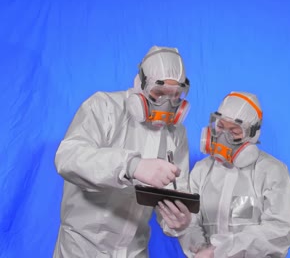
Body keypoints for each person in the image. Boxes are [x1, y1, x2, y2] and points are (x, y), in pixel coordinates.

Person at [53, 45, 193, 257]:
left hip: (134, 251)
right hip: (82, 248)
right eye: (159, 94)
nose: (167, 105)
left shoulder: (176, 133)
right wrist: (131, 166)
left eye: (175, 96)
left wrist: (178, 221)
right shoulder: (104, 107)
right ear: (141, 84)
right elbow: (68, 157)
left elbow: (175, 192)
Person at [157, 91, 290, 257]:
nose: (223, 137)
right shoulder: (202, 171)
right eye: (220, 126)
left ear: (252, 134)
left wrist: (218, 251)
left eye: (235, 131)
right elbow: (191, 222)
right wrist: (199, 248)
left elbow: (279, 231)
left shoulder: (272, 172)